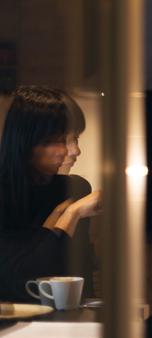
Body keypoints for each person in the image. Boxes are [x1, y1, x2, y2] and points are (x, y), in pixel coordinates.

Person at [0, 86, 101, 301]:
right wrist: (70, 215)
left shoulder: (74, 189)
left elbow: (75, 279)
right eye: (61, 140)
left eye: (76, 139)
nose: (75, 151)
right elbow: (32, 276)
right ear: (29, 142)